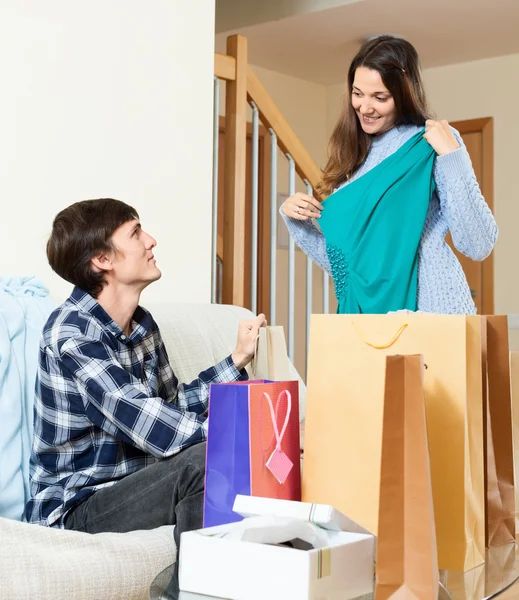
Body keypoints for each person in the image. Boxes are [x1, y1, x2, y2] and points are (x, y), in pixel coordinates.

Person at [26, 198, 265, 554]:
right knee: (205, 460)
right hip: (78, 507)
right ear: (102, 260)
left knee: (218, 456)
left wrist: (237, 359)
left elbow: (171, 406)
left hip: (134, 485)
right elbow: (149, 423)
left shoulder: (142, 325)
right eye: (136, 233)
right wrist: (257, 436)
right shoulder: (71, 336)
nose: (151, 240)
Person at [281, 35, 497, 314]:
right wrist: (295, 221)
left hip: (432, 312)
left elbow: (478, 244)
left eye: (379, 97)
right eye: (357, 94)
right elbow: (350, 267)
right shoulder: (353, 159)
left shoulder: (430, 144)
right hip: (369, 319)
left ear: (404, 94)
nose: (365, 107)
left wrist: (452, 156)